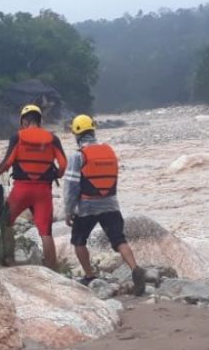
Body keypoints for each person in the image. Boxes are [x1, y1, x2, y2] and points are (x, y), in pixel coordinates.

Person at [62, 114, 146, 295]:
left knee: (78, 240)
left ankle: (90, 275)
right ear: (93, 131)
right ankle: (135, 269)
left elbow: (71, 186)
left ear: (76, 134)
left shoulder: (78, 156)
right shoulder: (109, 151)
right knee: (119, 239)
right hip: (111, 204)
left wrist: (68, 211)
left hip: (87, 207)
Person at [0, 105, 68, 269]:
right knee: (45, 231)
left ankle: (9, 260)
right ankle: (51, 267)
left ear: (24, 120)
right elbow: (63, 164)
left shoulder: (17, 137)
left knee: (6, 221)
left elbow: (8, 162)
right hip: (43, 191)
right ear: (40, 120)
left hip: (21, 189)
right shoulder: (53, 139)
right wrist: (58, 175)